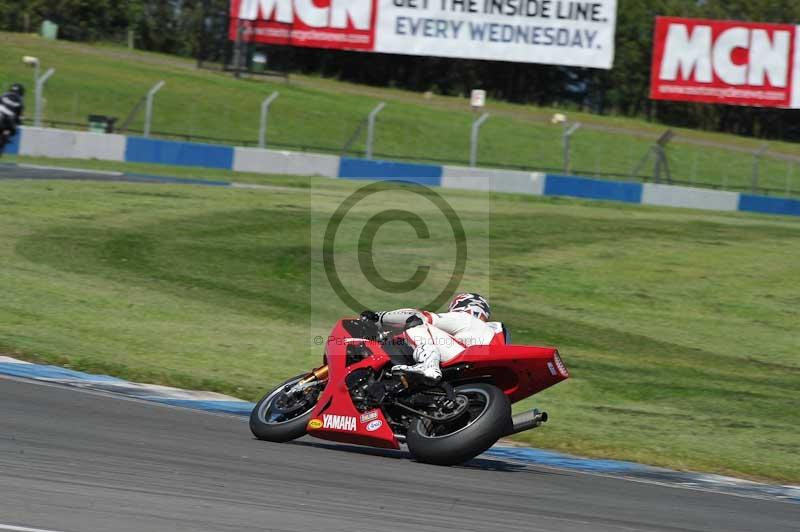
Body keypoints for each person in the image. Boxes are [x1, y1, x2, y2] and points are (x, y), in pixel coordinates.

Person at [361, 293, 498, 382]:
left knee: (416, 323)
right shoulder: (489, 331)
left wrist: (379, 318)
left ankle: (428, 365)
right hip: (475, 371)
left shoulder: (465, 318)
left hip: (463, 357)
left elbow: (419, 316)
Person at [0, 83, 25, 151]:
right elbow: (19, 116)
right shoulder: (20, 101)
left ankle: (4, 138)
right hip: (8, 119)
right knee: (13, 130)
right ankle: (4, 137)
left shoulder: (4, 95)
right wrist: (20, 122)